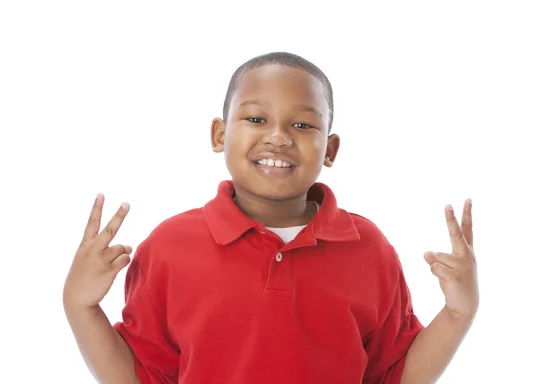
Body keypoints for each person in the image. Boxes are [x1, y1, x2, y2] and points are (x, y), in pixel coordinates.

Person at [63, 52, 479, 384]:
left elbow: (393, 374)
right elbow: (144, 376)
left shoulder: (368, 248)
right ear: (219, 135)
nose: (278, 137)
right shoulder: (169, 247)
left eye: (301, 124)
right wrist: (80, 304)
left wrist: (459, 311)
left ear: (330, 149)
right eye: (256, 119)